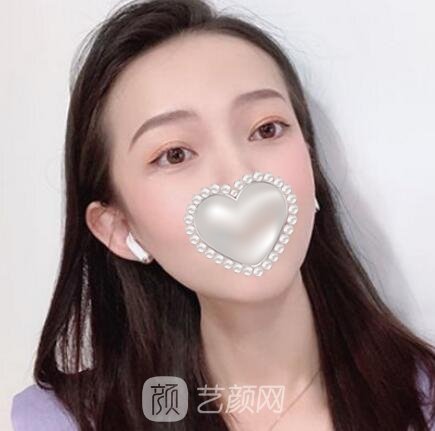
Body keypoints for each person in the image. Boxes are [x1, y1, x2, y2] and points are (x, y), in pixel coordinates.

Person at [10, 0, 435, 429]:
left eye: (266, 129)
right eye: (175, 154)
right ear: (118, 227)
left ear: (310, 161)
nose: (239, 176)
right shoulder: (60, 421)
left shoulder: (422, 402)